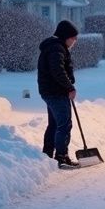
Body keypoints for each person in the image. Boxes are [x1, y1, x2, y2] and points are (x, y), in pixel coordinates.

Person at [38, 20, 79, 168]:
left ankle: (47, 155)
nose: (75, 40)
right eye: (73, 37)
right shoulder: (57, 49)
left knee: (54, 124)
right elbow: (58, 71)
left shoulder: (55, 47)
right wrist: (69, 88)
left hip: (50, 91)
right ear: (65, 36)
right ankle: (61, 157)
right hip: (56, 92)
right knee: (64, 124)